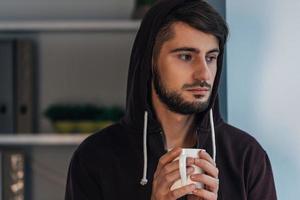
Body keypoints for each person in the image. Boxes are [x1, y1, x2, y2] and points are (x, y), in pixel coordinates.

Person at [65, 0, 277, 199]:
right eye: (186, 56)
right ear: (151, 61)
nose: (204, 75)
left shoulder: (247, 157)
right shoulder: (94, 158)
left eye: (211, 58)